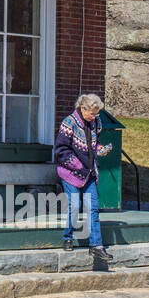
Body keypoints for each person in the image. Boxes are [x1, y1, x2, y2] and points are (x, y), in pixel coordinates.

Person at [54, 92, 115, 262]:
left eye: (97, 113)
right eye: (92, 113)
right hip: (71, 173)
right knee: (75, 205)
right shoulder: (69, 123)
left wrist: (101, 149)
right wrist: (78, 165)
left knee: (92, 208)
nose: (95, 116)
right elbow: (60, 150)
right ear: (82, 108)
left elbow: (94, 144)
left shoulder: (96, 123)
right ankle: (68, 236)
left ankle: (96, 246)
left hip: (89, 174)